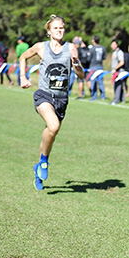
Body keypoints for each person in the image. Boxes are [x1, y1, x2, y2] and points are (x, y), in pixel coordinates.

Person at [18, 14, 84, 190]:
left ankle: (39, 165)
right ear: (49, 31)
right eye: (56, 28)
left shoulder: (71, 48)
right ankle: (44, 161)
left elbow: (81, 75)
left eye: (62, 28)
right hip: (44, 95)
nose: (59, 31)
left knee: (51, 133)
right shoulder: (41, 47)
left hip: (61, 98)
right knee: (53, 126)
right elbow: (23, 57)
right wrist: (23, 77)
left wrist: (76, 64)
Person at [87, 35, 107, 101]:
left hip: (93, 67)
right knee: (101, 82)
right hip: (100, 66)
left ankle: (94, 95)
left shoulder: (92, 49)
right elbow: (104, 57)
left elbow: (88, 58)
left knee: (93, 82)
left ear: (93, 40)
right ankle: (103, 95)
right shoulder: (103, 48)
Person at [110, 40, 126, 104]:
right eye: (112, 45)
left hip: (119, 71)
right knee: (118, 85)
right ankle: (122, 99)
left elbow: (122, 62)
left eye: (114, 44)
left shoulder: (119, 52)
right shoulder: (114, 52)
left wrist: (115, 69)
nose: (113, 46)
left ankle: (116, 100)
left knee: (117, 85)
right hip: (115, 72)